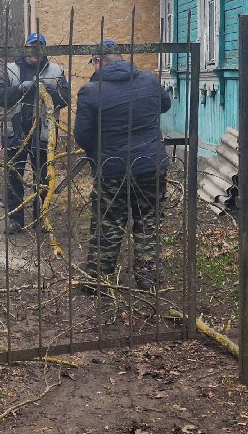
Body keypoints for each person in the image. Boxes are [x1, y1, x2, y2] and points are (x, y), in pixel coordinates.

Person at [73, 42, 173, 286]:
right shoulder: (149, 80)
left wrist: (98, 154)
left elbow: (82, 135)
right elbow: (165, 105)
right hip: (150, 165)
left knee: (108, 220)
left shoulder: (91, 91)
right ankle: (146, 275)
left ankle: (99, 276)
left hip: (112, 167)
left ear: (98, 62)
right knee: (148, 219)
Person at [0, 31, 68, 233]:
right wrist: (20, 89)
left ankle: (41, 217)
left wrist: (45, 89)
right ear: (25, 48)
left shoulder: (56, 70)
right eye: (31, 46)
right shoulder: (10, 70)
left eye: (39, 47)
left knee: (42, 178)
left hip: (43, 134)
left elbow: (65, 98)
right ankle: (15, 220)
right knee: (13, 177)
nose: (35, 51)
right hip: (14, 134)